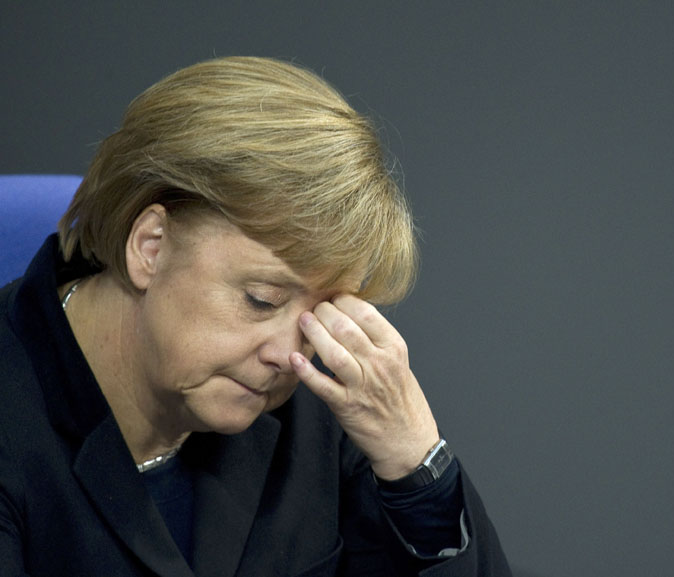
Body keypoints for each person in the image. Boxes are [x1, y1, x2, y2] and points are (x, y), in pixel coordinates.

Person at [0, 56, 511, 576]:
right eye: (261, 300)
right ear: (151, 247)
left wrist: (415, 461)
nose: (289, 356)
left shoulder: (319, 405)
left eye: (323, 312)